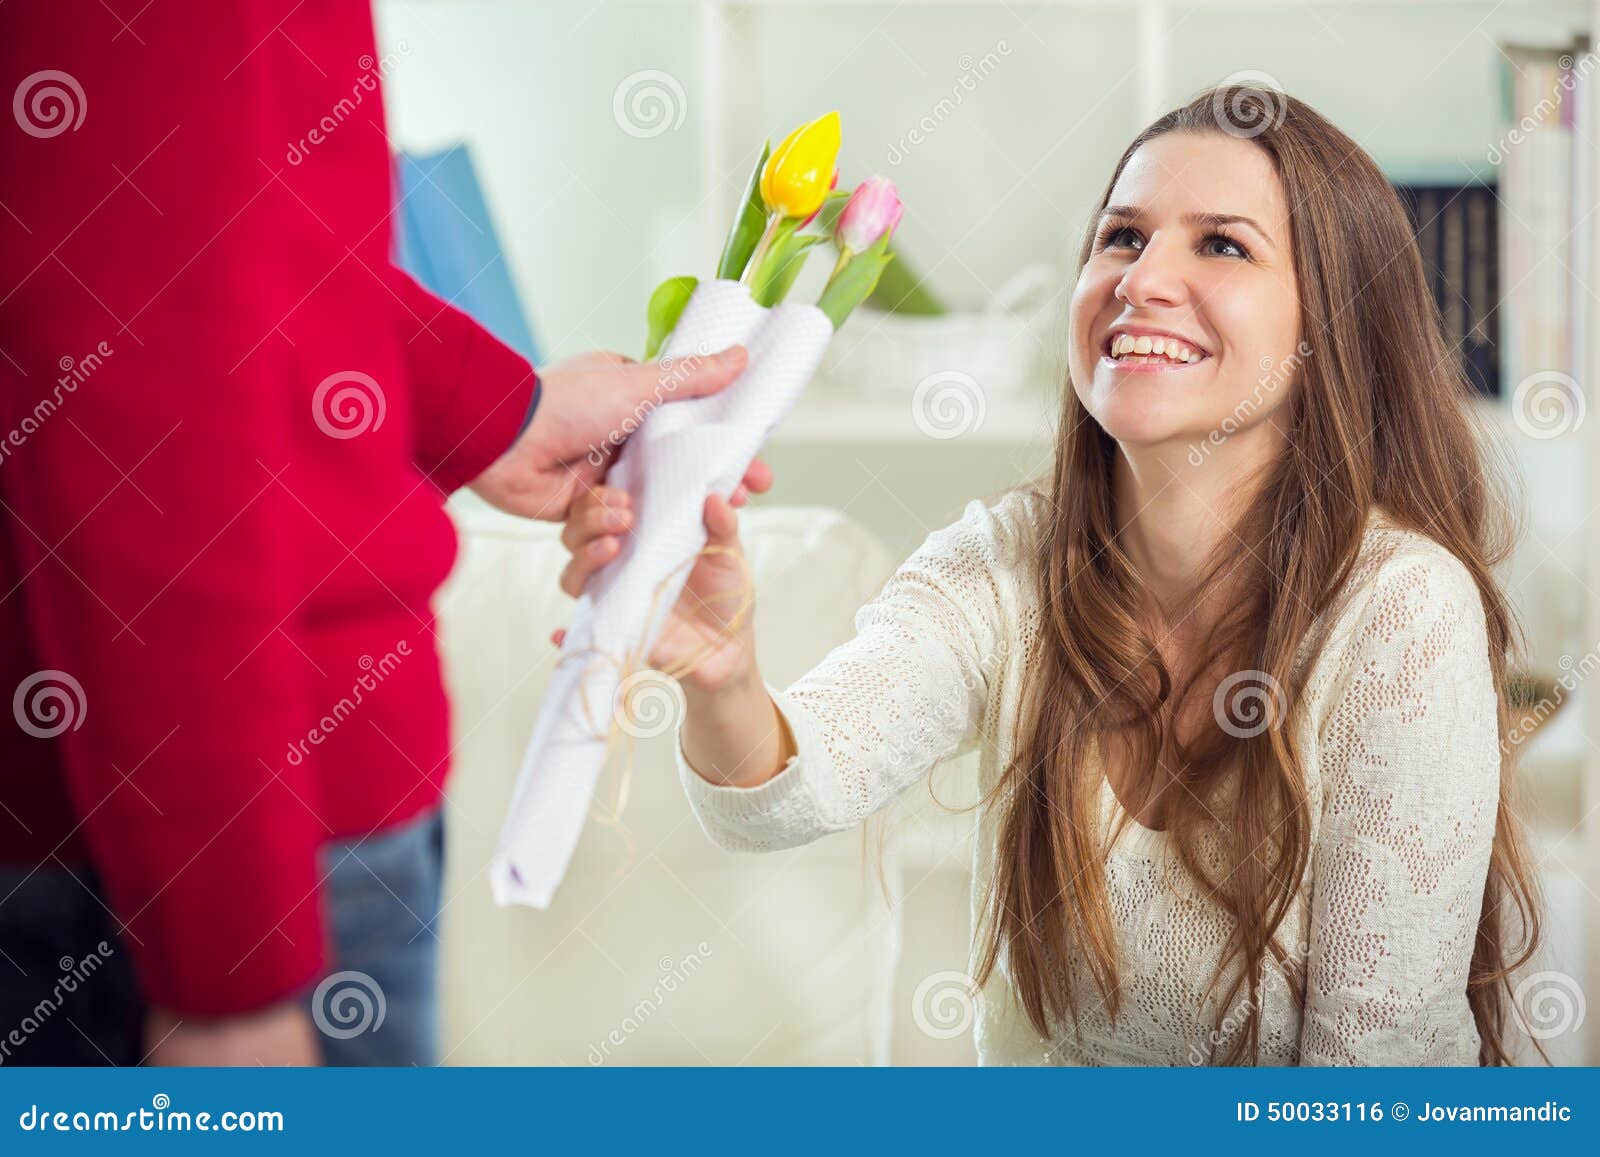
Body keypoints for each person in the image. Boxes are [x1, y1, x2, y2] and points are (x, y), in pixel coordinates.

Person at [558, 85, 1548, 1066]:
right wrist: (722, 673)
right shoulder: (1006, 564)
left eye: (1221, 244)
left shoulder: (1402, 610)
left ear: (1328, 326)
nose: (1142, 277)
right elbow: (785, 789)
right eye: (1121, 237)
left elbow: (1374, 1082)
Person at [0, 1, 766, 1066]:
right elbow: (141, 377)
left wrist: (497, 410)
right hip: (207, 837)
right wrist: (229, 976)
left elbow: (239, 243)